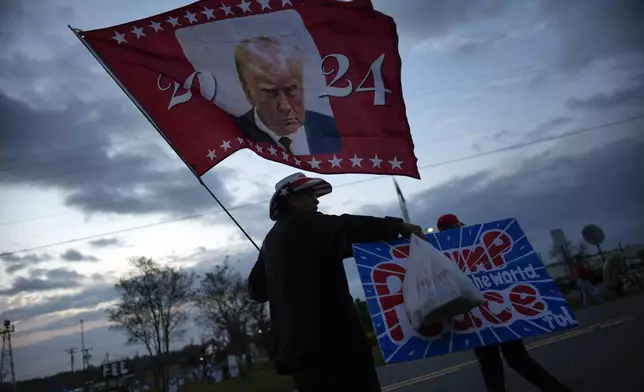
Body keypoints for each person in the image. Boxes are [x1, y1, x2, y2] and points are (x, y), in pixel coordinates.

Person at [248, 172, 424, 392]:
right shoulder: (308, 223)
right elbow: (349, 226)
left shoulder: (269, 242)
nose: (317, 200)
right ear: (291, 199)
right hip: (336, 345)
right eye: (310, 194)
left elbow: (257, 290)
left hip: (297, 355)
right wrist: (398, 227)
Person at [437, 213, 572, 392]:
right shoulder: (456, 249)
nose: (460, 228)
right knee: (512, 360)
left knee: (497, 363)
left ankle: (556, 388)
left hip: (486, 315)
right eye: (456, 225)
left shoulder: (445, 252)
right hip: (490, 313)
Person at [233, 37, 341, 155]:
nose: (285, 106)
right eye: (270, 92)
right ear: (248, 93)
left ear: (301, 84)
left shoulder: (337, 130)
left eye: (291, 89)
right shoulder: (231, 135)